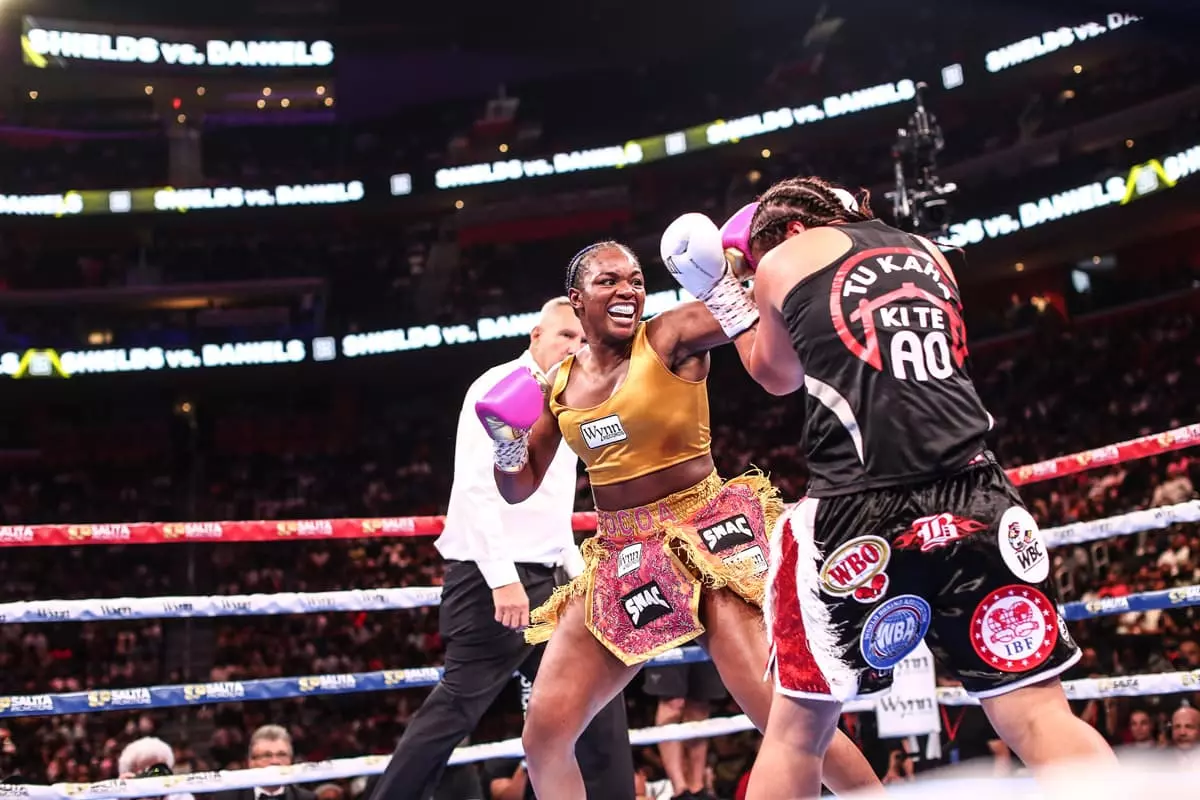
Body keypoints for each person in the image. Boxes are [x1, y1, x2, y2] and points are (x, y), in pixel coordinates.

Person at [656, 175, 1117, 798]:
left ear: (788, 232)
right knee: (1039, 715)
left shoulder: (784, 257)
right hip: (978, 496)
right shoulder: (928, 253)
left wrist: (725, 292)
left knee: (798, 734)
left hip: (857, 511)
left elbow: (776, 375)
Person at [475, 241, 880, 799]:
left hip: (706, 533)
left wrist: (743, 261)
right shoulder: (559, 386)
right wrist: (504, 442)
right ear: (576, 299)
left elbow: (760, 309)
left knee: (785, 718)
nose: (627, 291)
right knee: (542, 736)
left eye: (636, 280)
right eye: (609, 281)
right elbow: (517, 486)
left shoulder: (670, 335)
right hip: (623, 554)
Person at [368, 297, 635, 800]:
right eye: (565, 336)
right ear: (535, 336)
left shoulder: (572, 397)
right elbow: (474, 489)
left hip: (554, 580)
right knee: (456, 708)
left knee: (595, 700)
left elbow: (553, 509)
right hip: (492, 581)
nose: (575, 347)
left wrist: (581, 577)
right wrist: (502, 577)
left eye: (583, 340)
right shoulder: (495, 388)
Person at [641, 662, 727, 799]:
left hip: (702, 641)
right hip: (669, 641)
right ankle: (679, 789)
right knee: (673, 702)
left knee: (700, 703)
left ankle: (697, 787)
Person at [210, 725, 314, 800]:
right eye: (267, 755)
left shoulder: (306, 798)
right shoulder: (227, 798)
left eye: (281, 755)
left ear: (291, 760)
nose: (275, 761)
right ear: (250, 762)